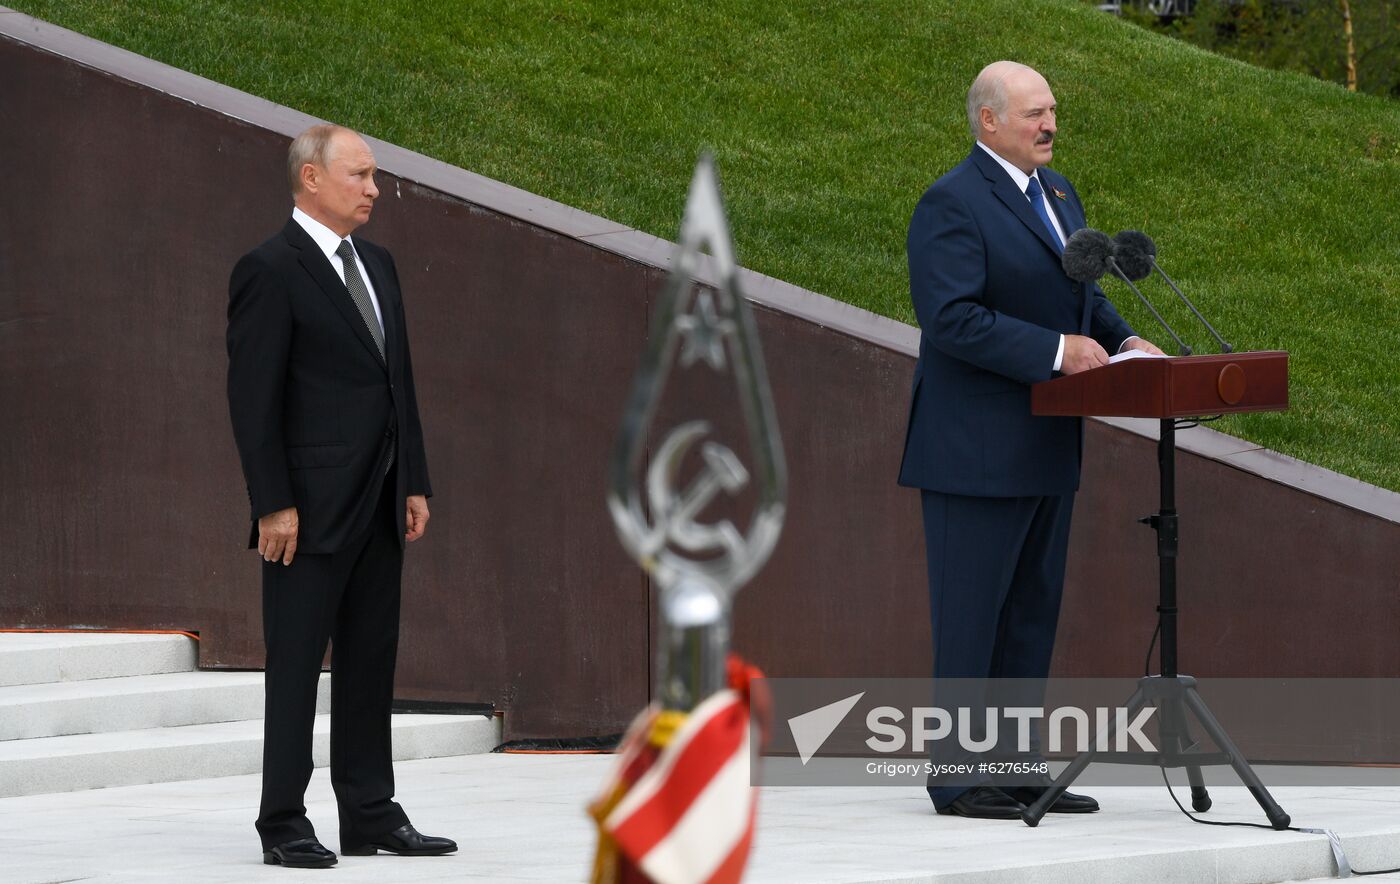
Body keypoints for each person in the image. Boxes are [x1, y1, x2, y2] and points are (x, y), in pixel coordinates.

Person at [898, 62, 1162, 820]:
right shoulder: (950, 203)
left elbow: (1083, 292)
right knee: (973, 616)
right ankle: (956, 777)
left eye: (1053, 112)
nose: (1050, 125)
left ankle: (1015, 770)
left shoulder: (1058, 193)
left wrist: (1123, 337)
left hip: (1046, 444)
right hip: (974, 450)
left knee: (1029, 614)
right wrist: (1057, 351)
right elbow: (951, 317)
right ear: (988, 120)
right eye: (1034, 114)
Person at [227, 124, 453, 867]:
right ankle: (283, 822)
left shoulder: (380, 265)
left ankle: (370, 813)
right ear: (311, 179)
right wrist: (272, 502)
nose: (374, 188)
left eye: (375, 176)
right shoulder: (270, 268)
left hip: (381, 502)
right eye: (359, 175)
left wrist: (413, 477)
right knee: (294, 666)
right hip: (306, 514)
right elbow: (253, 398)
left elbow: (399, 384)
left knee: (370, 661)